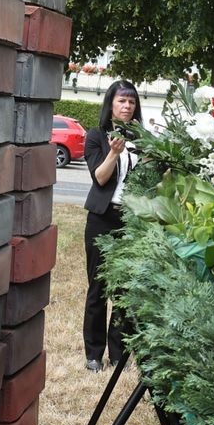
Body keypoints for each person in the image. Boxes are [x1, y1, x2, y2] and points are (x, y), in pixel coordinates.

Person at [82, 80, 143, 373]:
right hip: (101, 219)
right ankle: (94, 353)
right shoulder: (96, 137)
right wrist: (113, 153)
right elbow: (100, 178)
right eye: (122, 101)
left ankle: (118, 354)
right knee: (98, 286)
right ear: (111, 104)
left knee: (124, 291)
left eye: (131, 102)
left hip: (130, 222)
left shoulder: (143, 140)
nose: (127, 106)